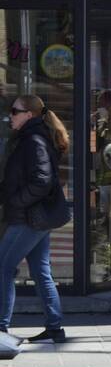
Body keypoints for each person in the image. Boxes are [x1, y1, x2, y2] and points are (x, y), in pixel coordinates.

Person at [0, 95, 68, 342]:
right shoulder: (30, 138)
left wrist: (15, 201)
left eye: (15, 110)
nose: (11, 115)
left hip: (29, 218)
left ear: (29, 114)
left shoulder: (34, 140)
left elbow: (42, 180)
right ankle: (54, 327)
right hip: (35, 217)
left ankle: (1, 328)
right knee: (41, 271)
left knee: (3, 267)